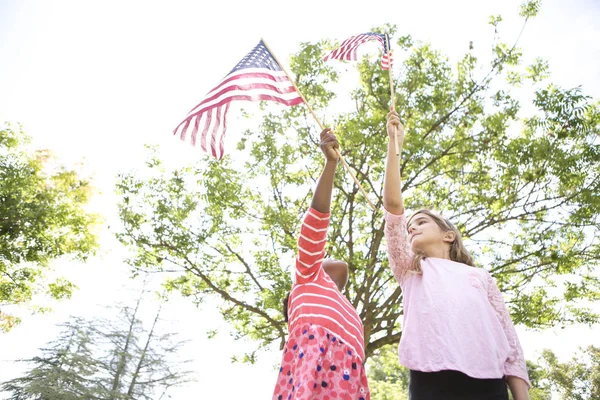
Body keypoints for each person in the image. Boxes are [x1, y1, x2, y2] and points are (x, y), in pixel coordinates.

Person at [382, 109, 531, 400]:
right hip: (432, 379)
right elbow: (393, 206)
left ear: (449, 235)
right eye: (409, 227)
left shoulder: (480, 277)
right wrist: (393, 145)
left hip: (490, 381)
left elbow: (508, 338)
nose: (411, 228)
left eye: (421, 222)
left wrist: (521, 395)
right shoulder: (410, 270)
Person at [272, 128, 370, 400]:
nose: (325, 260)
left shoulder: (346, 308)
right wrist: (331, 164)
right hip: (314, 372)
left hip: (347, 379)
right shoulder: (306, 277)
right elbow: (315, 223)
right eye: (319, 259)